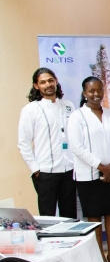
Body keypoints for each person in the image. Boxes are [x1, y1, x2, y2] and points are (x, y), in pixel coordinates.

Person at [68, 77, 110, 262]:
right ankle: (99, 255)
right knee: (94, 216)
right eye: (91, 91)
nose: (96, 94)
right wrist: (101, 167)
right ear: (84, 93)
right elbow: (76, 147)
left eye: (99, 90)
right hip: (89, 175)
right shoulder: (77, 117)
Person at [18, 68, 76, 218]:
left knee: (69, 216)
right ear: (36, 86)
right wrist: (35, 169)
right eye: (43, 82)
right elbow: (23, 143)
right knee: (47, 216)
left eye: (50, 80)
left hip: (69, 169)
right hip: (45, 172)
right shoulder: (30, 110)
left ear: (56, 81)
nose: (48, 84)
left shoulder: (68, 105)